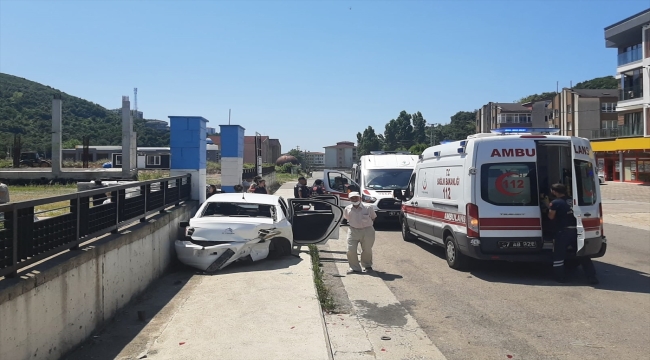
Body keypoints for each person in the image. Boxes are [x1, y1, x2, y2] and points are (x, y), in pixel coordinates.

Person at [544, 183, 598, 284]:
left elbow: (551, 217)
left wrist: (548, 205)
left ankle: (560, 277)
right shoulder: (573, 200)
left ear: (554, 192)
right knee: (582, 254)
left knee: (559, 255)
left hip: (563, 232)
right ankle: (591, 277)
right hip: (577, 231)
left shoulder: (555, 203)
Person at [344, 192, 377, 273]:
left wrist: (366, 225)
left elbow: (373, 217)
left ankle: (367, 266)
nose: (354, 199)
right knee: (350, 249)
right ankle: (354, 268)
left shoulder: (368, 207)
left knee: (367, 249)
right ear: (349, 199)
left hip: (367, 230)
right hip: (353, 230)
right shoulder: (347, 209)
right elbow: (346, 218)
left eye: (356, 197)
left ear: (360, 198)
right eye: (352, 198)